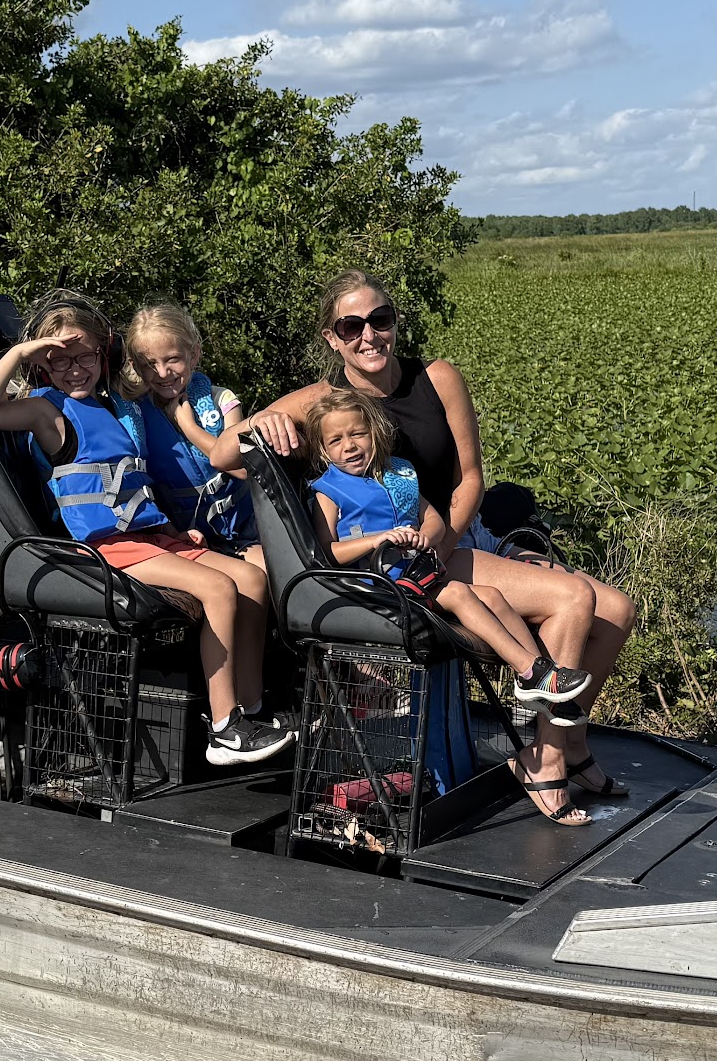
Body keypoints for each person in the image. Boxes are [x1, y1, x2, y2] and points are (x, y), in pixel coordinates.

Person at [229, 269, 638, 820]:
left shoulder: (438, 377)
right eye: (351, 326)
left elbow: (470, 477)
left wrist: (441, 542)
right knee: (575, 599)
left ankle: (564, 744)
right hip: (397, 556)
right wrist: (268, 418)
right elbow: (223, 457)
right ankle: (546, 759)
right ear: (332, 337)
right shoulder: (324, 400)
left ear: (395, 323)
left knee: (618, 609)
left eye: (380, 320)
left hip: (451, 534)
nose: (368, 335)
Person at [0, 296, 293, 768]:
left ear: (102, 355)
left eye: (83, 356)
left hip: (153, 536)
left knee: (253, 580)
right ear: (43, 362)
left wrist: (182, 534)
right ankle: (224, 728)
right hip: (107, 546)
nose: (73, 369)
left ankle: (251, 707)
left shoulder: (117, 409)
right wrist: (20, 353)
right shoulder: (47, 411)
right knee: (220, 589)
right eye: (59, 360)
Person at [305, 390, 596, 823]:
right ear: (323, 450)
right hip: (375, 586)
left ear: (374, 435)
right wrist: (379, 539)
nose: (349, 446)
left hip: (413, 573)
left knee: (492, 596)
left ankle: (538, 676)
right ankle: (530, 671)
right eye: (336, 441)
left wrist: (424, 533)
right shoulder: (327, 490)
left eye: (357, 434)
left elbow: (434, 518)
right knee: (459, 593)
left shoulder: (397, 475)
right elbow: (329, 553)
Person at [122, 304, 260, 556]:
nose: (163, 372)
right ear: (135, 365)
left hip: (245, 533)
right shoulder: (135, 416)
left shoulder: (223, 401)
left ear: (193, 354)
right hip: (182, 537)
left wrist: (189, 427)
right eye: (149, 364)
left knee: (265, 573)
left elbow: (243, 469)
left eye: (172, 359)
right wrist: (173, 533)